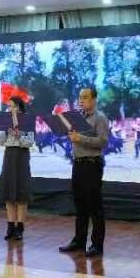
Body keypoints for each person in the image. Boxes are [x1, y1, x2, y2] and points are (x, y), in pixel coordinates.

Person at [59, 88, 109, 257]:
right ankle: (79, 241)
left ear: (94, 99)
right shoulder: (77, 118)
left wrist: (80, 138)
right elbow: (75, 138)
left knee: (94, 206)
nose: (81, 101)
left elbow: (102, 141)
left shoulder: (100, 117)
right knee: (80, 204)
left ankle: (97, 245)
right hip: (78, 163)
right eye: (80, 98)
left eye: (85, 97)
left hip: (92, 165)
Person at [0, 96, 34, 241]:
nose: (9, 109)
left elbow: (30, 142)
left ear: (18, 107)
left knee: (21, 193)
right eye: (8, 106)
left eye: (12, 106)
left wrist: (19, 135)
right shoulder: (4, 119)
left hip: (21, 155)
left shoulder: (27, 120)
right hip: (9, 154)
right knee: (9, 193)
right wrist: (4, 131)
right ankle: (10, 227)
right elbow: (1, 142)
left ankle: (20, 228)